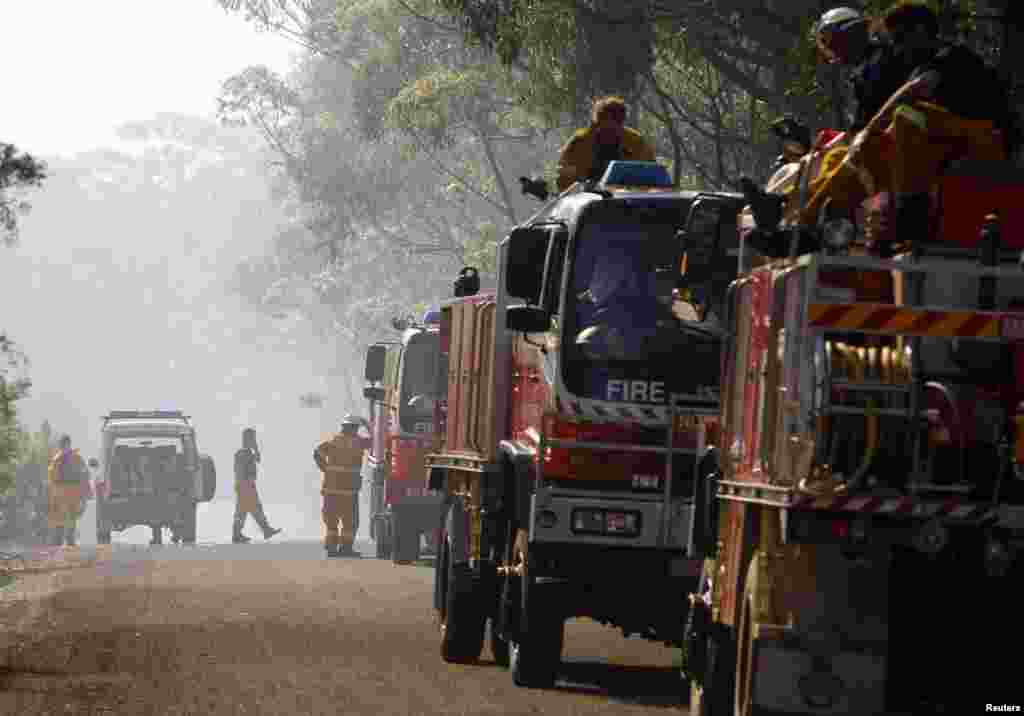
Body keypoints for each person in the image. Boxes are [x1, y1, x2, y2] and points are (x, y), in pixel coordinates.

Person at [875, 1, 1011, 243]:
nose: (896, 49)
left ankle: (911, 220)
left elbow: (915, 91)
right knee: (880, 141)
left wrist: (872, 126)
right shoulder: (921, 67)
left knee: (905, 117)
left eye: (899, 39)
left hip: (989, 138)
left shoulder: (952, 56)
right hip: (953, 140)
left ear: (919, 31)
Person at [556, 96, 656, 192]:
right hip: (588, 201)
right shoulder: (579, 142)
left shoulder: (636, 142)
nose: (614, 127)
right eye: (609, 121)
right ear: (598, 120)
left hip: (626, 200)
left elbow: (653, 174)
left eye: (618, 121)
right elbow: (562, 178)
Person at [314, 415, 371, 558]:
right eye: (357, 427)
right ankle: (346, 549)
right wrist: (367, 425)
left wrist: (325, 469)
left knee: (331, 522)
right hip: (349, 492)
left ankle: (332, 549)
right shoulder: (359, 442)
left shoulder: (334, 441)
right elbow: (376, 440)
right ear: (354, 428)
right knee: (350, 523)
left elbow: (317, 453)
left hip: (331, 490)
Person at [232, 428, 282, 544]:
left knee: (250, 509)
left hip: (247, 485)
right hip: (245, 485)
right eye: (252, 438)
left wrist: (255, 448)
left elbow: (258, 459)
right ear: (247, 439)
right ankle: (239, 534)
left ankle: (263, 530)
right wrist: (243, 485)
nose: (254, 440)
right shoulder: (242, 453)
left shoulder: (248, 452)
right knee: (245, 510)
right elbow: (239, 471)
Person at [46, 435, 92, 547]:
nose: (65, 447)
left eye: (65, 444)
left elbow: (84, 474)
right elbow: (85, 474)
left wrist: (85, 491)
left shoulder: (64, 458)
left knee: (69, 516)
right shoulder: (63, 459)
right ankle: (60, 542)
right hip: (63, 492)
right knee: (62, 517)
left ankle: (67, 541)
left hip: (68, 492)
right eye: (64, 445)